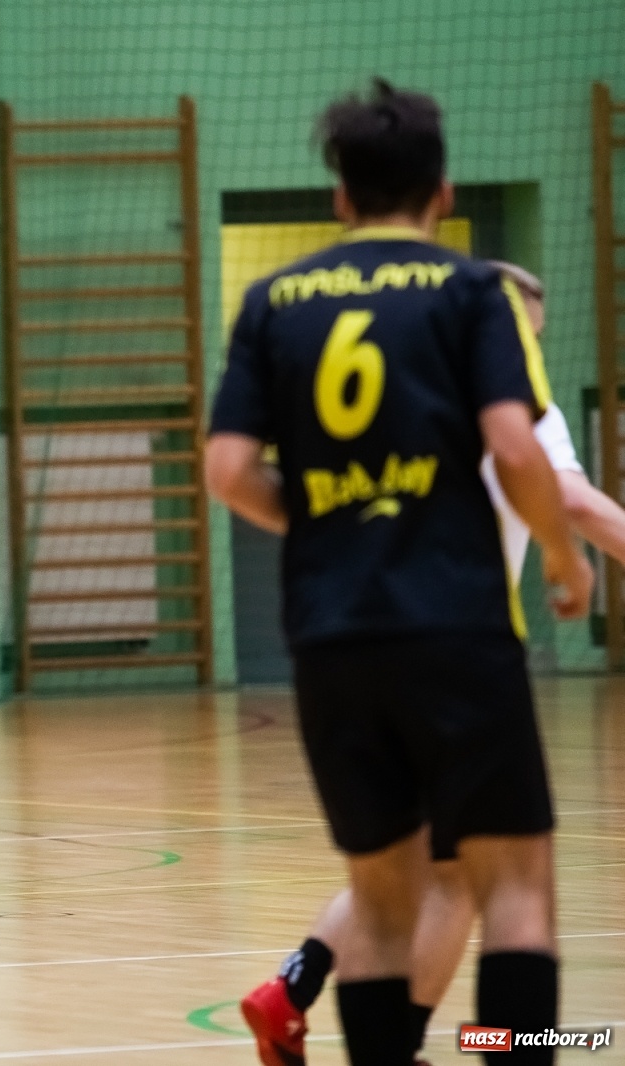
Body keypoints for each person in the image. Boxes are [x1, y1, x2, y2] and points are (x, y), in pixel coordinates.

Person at [205, 79, 592, 1066]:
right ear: (441, 189)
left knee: (381, 900)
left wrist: (326, 520)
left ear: (339, 197)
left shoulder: (272, 302)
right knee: (512, 890)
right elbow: (513, 446)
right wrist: (559, 555)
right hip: (456, 623)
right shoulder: (471, 293)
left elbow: (227, 471)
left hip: (332, 635)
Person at [240, 260, 625, 1066]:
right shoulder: (500, 386)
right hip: (461, 650)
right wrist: (570, 559)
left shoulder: (396, 385)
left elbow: (235, 470)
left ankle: (300, 989)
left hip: (347, 644)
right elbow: (578, 503)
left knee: (396, 873)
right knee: (487, 885)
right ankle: (436, 1041)